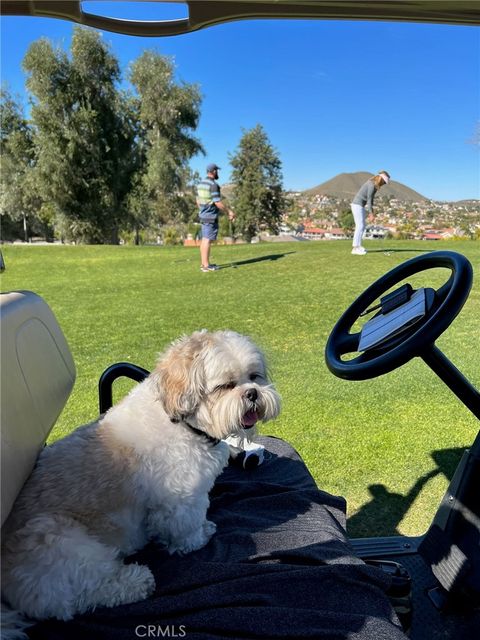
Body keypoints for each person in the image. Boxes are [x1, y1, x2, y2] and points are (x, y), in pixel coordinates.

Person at [196, 163, 235, 272]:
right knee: (207, 240)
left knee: (204, 239)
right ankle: (206, 266)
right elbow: (217, 202)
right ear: (213, 171)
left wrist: (202, 210)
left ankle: (203, 263)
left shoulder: (200, 184)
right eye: (217, 170)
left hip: (203, 215)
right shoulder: (213, 185)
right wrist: (229, 212)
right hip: (210, 216)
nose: (217, 172)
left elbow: (197, 201)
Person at [351, 170, 390, 255]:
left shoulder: (373, 184)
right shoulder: (372, 185)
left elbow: (370, 200)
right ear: (381, 179)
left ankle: (358, 246)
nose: (383, 184)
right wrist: (371, 214)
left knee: (362, 226)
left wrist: (371, 212)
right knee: (360, 226)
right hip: (357, 205)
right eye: (384, 182)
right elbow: (369, 200)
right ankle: (355, 248)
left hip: (359, 205)